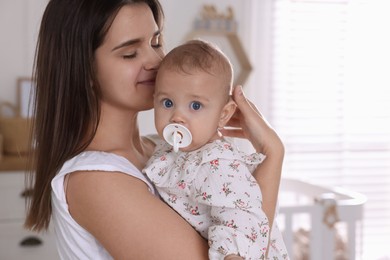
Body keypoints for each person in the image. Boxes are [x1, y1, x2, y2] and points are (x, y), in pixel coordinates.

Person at [24, 0, 286, 259]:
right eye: (130, 53)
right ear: (84, 70)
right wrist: (272, 155)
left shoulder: (161, 153)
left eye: (156, 43)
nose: (155, 60)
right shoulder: (98, 180)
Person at [143, 39, 288, 260]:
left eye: (195, 106)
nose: (177, 117)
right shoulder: (165, 149)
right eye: (168, 103)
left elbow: (242, 218)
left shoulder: (218, 163)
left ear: (223, 114)